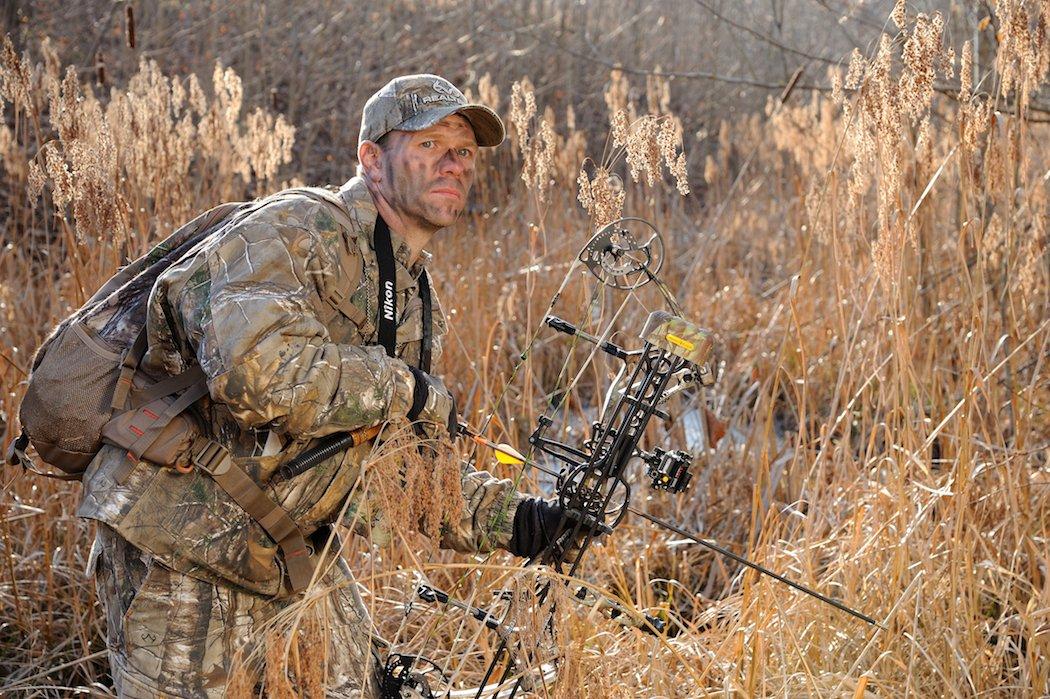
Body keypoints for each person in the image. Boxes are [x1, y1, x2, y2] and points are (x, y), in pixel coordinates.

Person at [77, 74, 580, 698]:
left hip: (282, 550)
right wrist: (408, 388)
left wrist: (521, 522)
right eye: (430, 144)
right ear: (371, 158)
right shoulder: (296, 230)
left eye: (465, 151)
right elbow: (257, 374)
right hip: (182, 543)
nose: (454, 163)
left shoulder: (413, 294)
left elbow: (390, 464)